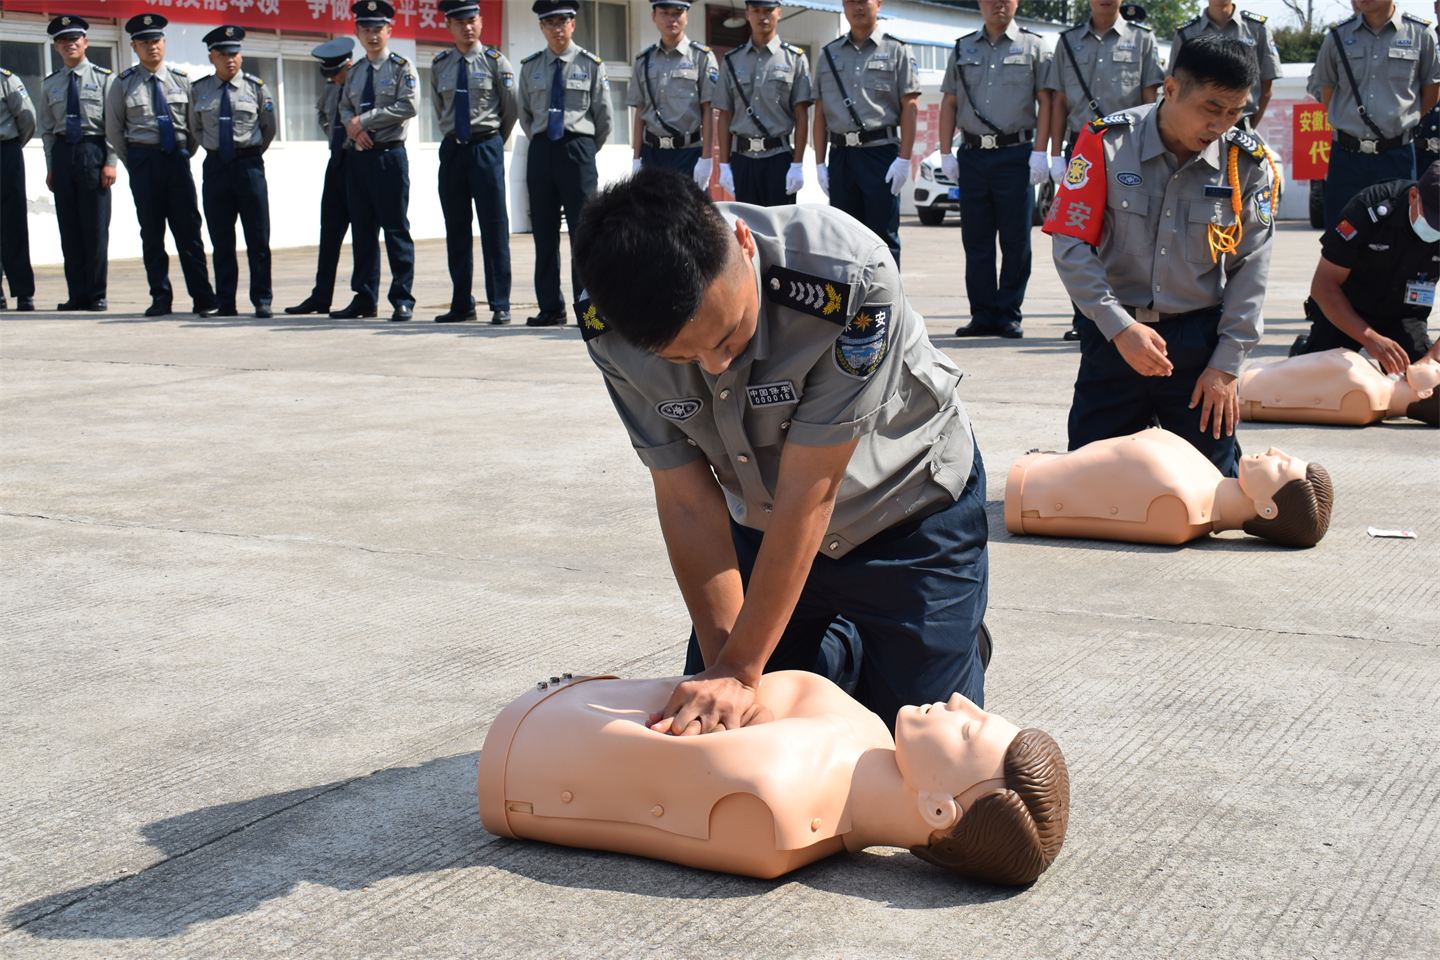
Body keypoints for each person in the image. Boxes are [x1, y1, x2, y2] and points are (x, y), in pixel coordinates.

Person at [572, 166, 989, 739]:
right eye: (682, 359)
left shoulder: (847, 280)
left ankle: (922, 644)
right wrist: (729, 678)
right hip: (765, 525)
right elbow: (686, 497)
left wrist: (744, 670)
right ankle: (845, 650)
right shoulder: (609, 323)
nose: (716, 365)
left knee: (921, 753)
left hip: (905, 517)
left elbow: (809, 494)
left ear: (743, 244)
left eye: (728, 336)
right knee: (719, 740)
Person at [477, 671, 1069, 885]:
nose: (963, 700)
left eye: (970, 732)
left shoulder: (776, 804)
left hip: (526, 745)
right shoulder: (861, 733)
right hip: (560, 712)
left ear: (940, 810)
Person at [1043, 34, 1275, 479]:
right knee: (1090, 488)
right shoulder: (1105, 144)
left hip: (1197, 351)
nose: (1221, 125)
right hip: (1114, 340)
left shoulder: (1247, 163)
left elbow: (1252, 267)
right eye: (1211, 108)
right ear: (1170, 90)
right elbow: (1071, 243)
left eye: (1234, 112)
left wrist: (1227, 365)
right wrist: (1118, 327)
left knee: (1211, 491)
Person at [1045, 0, 1164, 340]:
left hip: (1129, 147)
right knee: (1079, 230)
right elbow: (1059, 102)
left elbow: (1150, 98)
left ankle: (1124, 313)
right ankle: (1085, 317)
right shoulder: (1068, 41)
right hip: (1081, 148)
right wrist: (1055, 154)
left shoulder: (1142, 39)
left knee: (1125, 231)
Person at [1004, 429, 1333, 547]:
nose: (1276, 452)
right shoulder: (1202, 478)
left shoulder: (1178, 508)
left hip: (1025, 489)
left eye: (1281, 466)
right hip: (1034, 470)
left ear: (1267, 508)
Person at [940, 0, 1052, 341]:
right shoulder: (962, 47)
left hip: (1015, 155)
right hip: (973, 155)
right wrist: (946, 152)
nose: (998, 4)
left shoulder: (1034, 46)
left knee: (1016, 241)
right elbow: (949, 102)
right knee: (976, 241)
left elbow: (1047, 101)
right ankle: (982, 314)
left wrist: (1040, 152)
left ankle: (1008, 314)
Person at [106, 14, 219, 319]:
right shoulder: (123, 83)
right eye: (144, 42)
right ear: (134, 46)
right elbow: (115, 129)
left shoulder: (183, 80)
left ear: (164, 42)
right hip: (143, 161)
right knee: (152, 233)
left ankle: (203, 297)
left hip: (177, 160)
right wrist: (135, 161)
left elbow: (194, 127)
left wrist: (183, 153)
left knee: (189, 231)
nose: (151, 47)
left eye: (156, 41)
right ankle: (160, 296)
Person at [1292, 161, 1439, 373]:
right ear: (1414, 196)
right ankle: (1304, 350)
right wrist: (1369, 338)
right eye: (1433, 219)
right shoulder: (1370, 207)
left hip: (1402, 315)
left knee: (1425, 382)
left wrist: (1432, 357)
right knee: (1320, 381)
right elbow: (1323, 285)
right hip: (1347, 308)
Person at [517, 0, 612, 327]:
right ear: (542, 27)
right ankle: (550, 308)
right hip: (542, 150)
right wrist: (545, 143)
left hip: (578, 150)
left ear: (573, 24)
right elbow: (525, 114)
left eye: (563, 21)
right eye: (550, 22)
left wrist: (582, 149)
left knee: (583, 235)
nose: (557, 28)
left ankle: (589, 314)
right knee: (543, 234)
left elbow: (604, 118)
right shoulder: (530, 66)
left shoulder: (591, 64)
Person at [1311, 2, 1439, 231]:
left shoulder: (1421, 34)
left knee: (1398, 234)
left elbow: (1431, 92)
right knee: (1340, 236)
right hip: (1347, 158)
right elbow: (1328, 92)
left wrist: (1401, 122)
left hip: (1397, 156)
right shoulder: (1337, 35)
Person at [811, 0, 920, 268]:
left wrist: (904, 159)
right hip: (841, 156)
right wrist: (820, 163)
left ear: (879, 4)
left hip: (880, 154)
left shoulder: (897, 50)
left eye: (864, 0)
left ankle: (886, 305)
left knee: (883, 237)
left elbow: (910, 107)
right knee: (842, 238)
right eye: (850, 1)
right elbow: (820, 111)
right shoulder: (829, 53)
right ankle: (848, 307)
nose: (857, 6)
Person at [330, 0, 418, 322]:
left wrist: (363, 122)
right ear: (356, 32)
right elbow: (343, 109)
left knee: (395, 229)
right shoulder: (353, 73)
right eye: (365, 30)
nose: (372, 35)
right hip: (360, 159)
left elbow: (408, 106)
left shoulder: (401, 67)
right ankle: (364, 298)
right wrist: (354, 132)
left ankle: (402, 298)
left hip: (388, 157)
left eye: (377, 29)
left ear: (388, 31)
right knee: (363, 230)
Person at [431, 0, 517, 325]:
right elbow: (440, 108)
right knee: (456, 227)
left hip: (486, 148)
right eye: (459, 21)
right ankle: (461, 303)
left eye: (471, 20)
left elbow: (510, 110)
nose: (466, 27)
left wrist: (491, 140)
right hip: (453, 151)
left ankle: (500, 303)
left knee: (493, 226)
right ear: (449, 25)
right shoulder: (440, 65)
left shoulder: (496, 62)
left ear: (480, 21)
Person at [188, 26, 276, 319]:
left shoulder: (257, 87)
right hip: (216, 167)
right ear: (212, 56)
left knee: (258, 237)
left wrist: (246, 154)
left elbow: (268, 129)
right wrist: (218, 151)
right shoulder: (199, 90)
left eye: (235, 53)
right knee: (221, 239)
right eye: (223, 54)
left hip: (249, 165)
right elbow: (196, 129)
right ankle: (226, 301)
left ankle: (262, 299)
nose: (230, 60)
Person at [37, 15, 114, 313]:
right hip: (62, 153)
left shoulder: (104, 79)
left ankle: (97, 294)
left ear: (85, 42)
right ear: (56, 47)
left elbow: (112, 124)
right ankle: (77, 294)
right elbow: (45, 129)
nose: (70, 44)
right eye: (63, 40)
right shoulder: (50, 84)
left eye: (74, 39)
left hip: (92, 151)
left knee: (95, 227)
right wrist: (51, 166)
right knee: (69, 228)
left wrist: (110, 161)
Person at [712, 2, 812, 207]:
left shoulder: (795, 59)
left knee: (779, 229)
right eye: (756, 10)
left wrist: (797, 164)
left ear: (779, 13)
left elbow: (802, 116)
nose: (762, 16)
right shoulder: (732, 60)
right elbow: (725, 115)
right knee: (746, 228)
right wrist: (723, 165)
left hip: (779, 160)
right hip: (743, 159)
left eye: (768, 10)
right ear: (747, 14)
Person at [285, 38, 355, 317]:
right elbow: (322, 114)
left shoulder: (360, 84)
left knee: (364, 234)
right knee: (329, 233)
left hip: (358, 162)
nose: (332, 78)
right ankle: (320, 296)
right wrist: (332, 134)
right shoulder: (330, 87)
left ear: (347, 66)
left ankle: (365, 296)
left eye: (335, 72)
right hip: (336, 162)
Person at [629, 0, 718, 187]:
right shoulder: (644, 61)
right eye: (665, 13)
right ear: (653, 16)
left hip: (688, 153)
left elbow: (708, 110)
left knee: (688, 214)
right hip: (652, 153)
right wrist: (636, 158)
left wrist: (706, 159)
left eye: (677, 13)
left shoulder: (701, 57)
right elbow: (640, 112)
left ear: (686, 16)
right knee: (650, 214)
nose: (671, 19)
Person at [1240, 347, 1439, 426]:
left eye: (1438, 372)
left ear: (1425, 392)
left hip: (1243, 387)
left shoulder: (1363, 397)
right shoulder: (1373, 387)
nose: (1435, 363)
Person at [1168, 2, 1282, 135]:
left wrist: (1248, 128)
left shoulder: (1256, 28)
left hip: (1241, 125)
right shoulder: (1186, 33)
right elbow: (1175, 86)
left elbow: (1266, 89)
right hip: (1196, 129)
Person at [0, 65, 37, 312]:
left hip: (5, 152)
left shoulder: (6, 79)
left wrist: (12, 148)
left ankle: (23, 293)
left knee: (13, 224)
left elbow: (27, 118)